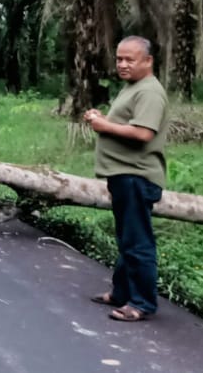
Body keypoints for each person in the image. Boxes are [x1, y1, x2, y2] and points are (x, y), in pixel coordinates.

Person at [84, 36, 170, 323]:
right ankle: (121, 292)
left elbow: (143, 133)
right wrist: (101, 119)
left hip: (137, 176)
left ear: (148, 61)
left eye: (129, 59)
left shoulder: (150, 92)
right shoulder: (133, 87)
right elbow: (125, 124)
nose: (122, 64)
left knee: (137, 242)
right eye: (119, 59)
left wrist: (103, 126)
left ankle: (142, 303)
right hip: (123, 175)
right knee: (126, 239)